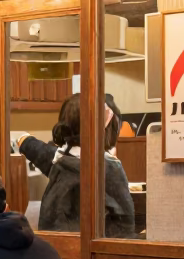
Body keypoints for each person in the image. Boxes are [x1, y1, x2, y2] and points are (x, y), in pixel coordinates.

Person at [17, 93, 136, 238]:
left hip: (54, 248)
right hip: (91, 253)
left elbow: (34, 148)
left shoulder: (59, 160)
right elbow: (126, 226)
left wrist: (23, 139)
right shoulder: (109, 168)